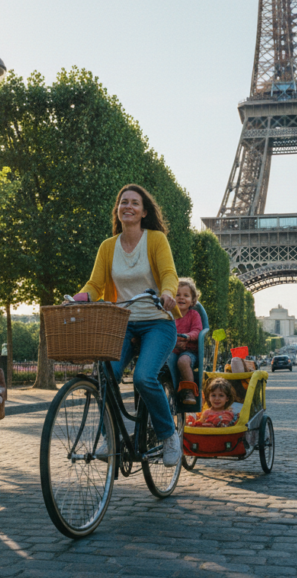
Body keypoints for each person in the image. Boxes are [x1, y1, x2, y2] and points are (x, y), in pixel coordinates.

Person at [75, 184, 183, 467]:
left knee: (144, 377)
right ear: (118, 209)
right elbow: (95, 285)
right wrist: (79, 298)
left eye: (135, 203)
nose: (128, 206)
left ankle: (169, 434)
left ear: (144, 211)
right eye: (123, 202)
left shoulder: (156, 239)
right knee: (104, 377)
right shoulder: (108, 247)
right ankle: (108, 437)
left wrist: (168, 293)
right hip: (120, 323)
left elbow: (169, 274)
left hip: (157, 322)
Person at [173, 277, 203, 406]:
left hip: (189, 350)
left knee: (183, 361)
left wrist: (187, 336)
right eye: (177, 295)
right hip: (171, 349)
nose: (181, 298)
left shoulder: (194, 315)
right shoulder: (168, 315)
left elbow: (197, 330)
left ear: (192, 300)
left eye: (186, 295)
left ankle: (189, 391)